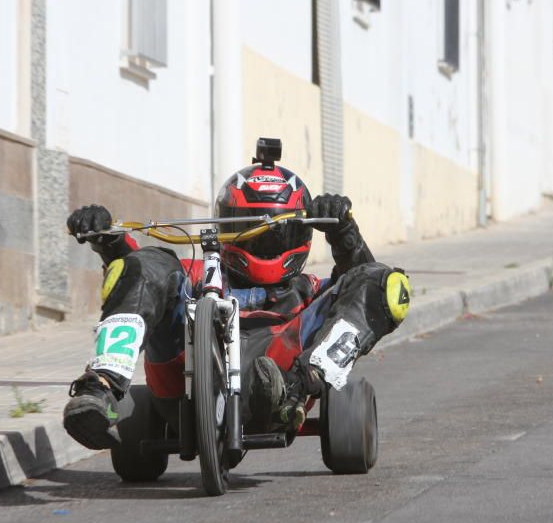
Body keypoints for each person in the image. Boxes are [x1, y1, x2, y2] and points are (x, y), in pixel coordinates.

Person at [62, 140, 411, 450]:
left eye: (275, 232)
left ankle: (293, 386)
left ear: (300, 236)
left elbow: (362, 283)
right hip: (179, 388)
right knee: (145, 263)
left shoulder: (310, 292)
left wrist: (344, 232)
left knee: (386, 283)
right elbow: (139, 281)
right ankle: (101, 386)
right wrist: (109, 241)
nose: (262, 240)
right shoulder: (196, 274)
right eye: (247, 228)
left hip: (280, 391)